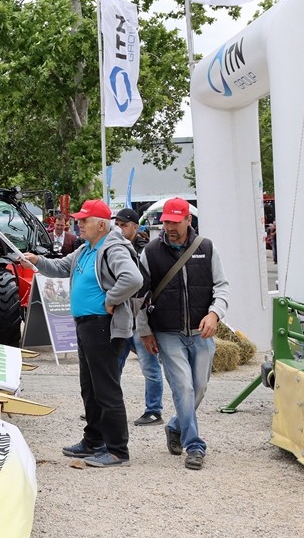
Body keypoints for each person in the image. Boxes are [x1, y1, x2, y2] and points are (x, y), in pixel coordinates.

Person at [22, 199, 142, 468]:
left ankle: (117, 450)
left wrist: (111, 299)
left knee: (106, 389)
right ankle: (93, 441)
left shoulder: (113, 248)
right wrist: (37, 261)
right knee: (90, 388)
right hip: (88, 325)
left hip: (102, 326)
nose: (79, 224)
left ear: (101, 225)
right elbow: (60, 268)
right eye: (79, 220)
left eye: (84, 220)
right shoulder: (86, 249)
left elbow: (133, 279)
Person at [135, 197, 230, 470]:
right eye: (166, 222)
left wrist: (215, 314)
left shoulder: (207, 248)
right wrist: (144, 331)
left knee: (199, 387)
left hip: (201, 333)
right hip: (167, 332)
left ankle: (176, 425)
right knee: (184, 388)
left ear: (189, 220)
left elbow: (222, 286)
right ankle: (195, 446)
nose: (169, 227)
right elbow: (139, 295)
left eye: (175, 222)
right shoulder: (150, 252)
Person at [113, 207, 163, 426]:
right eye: (117, 225)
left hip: (140, 316)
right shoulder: (113, 247)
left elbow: (146, 284)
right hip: (121, 316)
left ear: (135, 227)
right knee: (113, 365)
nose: (119, 229)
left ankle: (154, 410)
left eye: (124, 225)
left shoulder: (145, 251)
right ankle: (107, 406)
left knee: (149, 367)